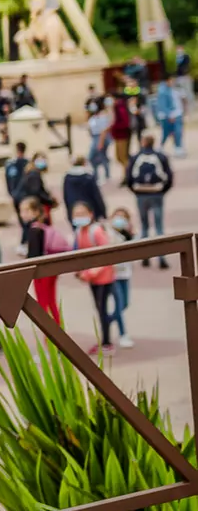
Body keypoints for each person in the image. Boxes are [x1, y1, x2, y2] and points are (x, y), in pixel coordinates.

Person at [69, 205, 117, 354]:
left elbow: (107, 254)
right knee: (99, 308)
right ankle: (105, 340)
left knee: (102, 309)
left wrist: (90, 273)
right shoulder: (79, 232)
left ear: (90, 214)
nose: (79, 217)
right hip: (92, 278)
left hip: (104, 277)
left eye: (82, 213)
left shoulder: (96, 231)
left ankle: (107, 342)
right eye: (76, 214)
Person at [124, 132, 174, 269]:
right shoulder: (161, 156)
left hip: (141, 194)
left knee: (144, 226)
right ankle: (161, 257)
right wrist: (162, 191)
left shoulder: (135, 157)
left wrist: (136, 191)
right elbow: (169, 177)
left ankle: (145, 256)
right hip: (157, 193)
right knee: (159, 227)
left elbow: (128, 178)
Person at [18, 197, 62, 324]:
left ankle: (50, 335)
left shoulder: (34, 230)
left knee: (43, 303)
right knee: (51, 301)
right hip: (51, 269)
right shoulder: (43, 227)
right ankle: (59, 327)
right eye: (22, 211)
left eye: (26, 211)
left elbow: (34, 255)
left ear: (36, 212)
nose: (23, 214)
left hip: (41, 273)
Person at [108, 206, 137, 349]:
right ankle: (123, 334)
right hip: (113, 274)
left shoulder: (129, 235)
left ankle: (106, 320)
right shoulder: (108, 234)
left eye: (123, 217)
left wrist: (129, 233)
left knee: (125, 303)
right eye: (117, 216)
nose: (119, 220)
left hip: (125, 273)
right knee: (119, 304)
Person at [62, 153, 106, 220]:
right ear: (84, 163)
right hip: (89, 208)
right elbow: (96, 195)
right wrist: (102, 211)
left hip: (74, 209)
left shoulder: (67, 178)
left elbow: (66, 196)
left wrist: (69, 212)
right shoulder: (88, 177)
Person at [152, 78, 185, 155]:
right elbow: (162, 105)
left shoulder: (173, 89)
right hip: (168, 116)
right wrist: (169, 115)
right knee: (167, 132)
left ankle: (178, 147)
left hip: (176, 114)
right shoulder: (163, 91)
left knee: (177, 132)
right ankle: (162, 147)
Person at [87, 98, 113, 181]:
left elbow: (103, 130)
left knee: (97, 157)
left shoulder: (102, 116)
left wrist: (100, 142)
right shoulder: (93, 116)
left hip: (100, 138)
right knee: (100, 157)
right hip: (95, 138)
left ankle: (105, 175)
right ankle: (99, 175)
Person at [110, 91, 133, 169]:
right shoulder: (116, 107)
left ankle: (127, 176)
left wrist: (113, 126)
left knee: (123, 157)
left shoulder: (121, 107)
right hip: (118, 135)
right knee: (118, 157)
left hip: (122, 135)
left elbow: (125, 123)